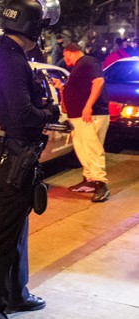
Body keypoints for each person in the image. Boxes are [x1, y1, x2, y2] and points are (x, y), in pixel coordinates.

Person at [0, 0, 60, 319]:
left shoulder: (6, 56)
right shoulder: (10, 61)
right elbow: (23, 114)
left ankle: (15, 294)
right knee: (1, 238)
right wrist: (52, 110)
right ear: (33, 28)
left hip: (14, 157)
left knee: (16, 232)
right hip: (9, 158)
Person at [52, 43, 110, 202]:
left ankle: (101, 184)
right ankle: (90, 180)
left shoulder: (87, 62)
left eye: (65, 56)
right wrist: (62, 86)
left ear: (69, 52)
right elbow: (79, 88)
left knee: (92, 149)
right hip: (79, 115)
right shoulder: (81, 66)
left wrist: (88, 106)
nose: (65, 60)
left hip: (91, 115)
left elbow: (98, 82)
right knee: (83, 149)